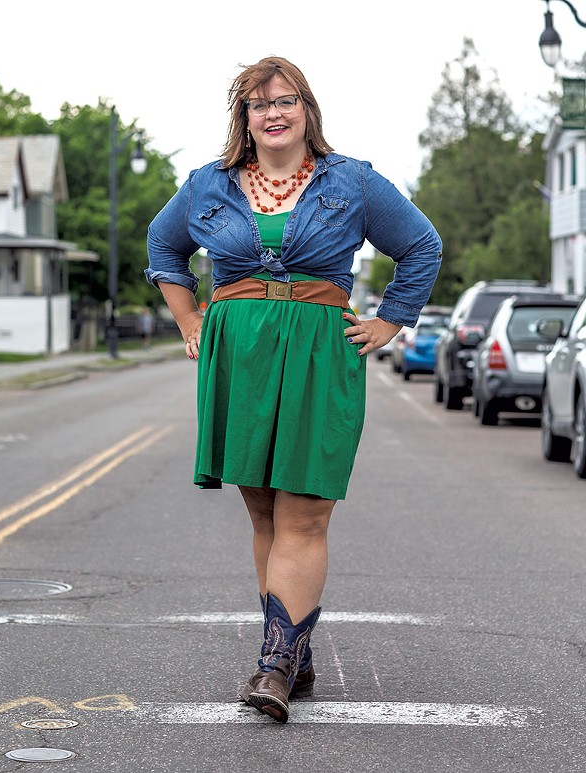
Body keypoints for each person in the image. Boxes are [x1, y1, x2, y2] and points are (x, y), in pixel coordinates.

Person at [145, 56, 442, 723]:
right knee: (264, 515)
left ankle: (275, 664)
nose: (272, 113)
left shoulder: (354, 182)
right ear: (243, 120)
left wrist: (391, 320)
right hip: (241, 354)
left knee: (304, 511)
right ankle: (295, 653)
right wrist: (190, 318)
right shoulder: (207, 185)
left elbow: (422, 245)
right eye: (257, 104)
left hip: (319, 353)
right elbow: (164, 250)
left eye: (284, 101)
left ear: (307, 110)